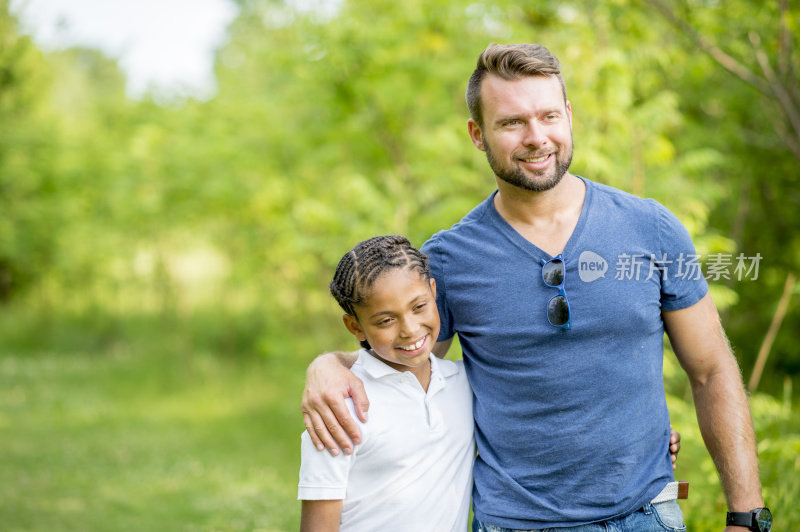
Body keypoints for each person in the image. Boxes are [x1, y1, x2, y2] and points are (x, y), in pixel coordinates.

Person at [302, 44, 768, 531]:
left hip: (647, 516)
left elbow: (712, 370)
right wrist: (330, 364)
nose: (536, 137)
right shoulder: (448, 260)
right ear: (477, 135)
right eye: (511, 123)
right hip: (515, 523)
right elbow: (409, 374)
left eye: (548, 116)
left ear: (568, 115)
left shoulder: (650, 228)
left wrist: (747, 515)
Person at [298, 235, 475, 532]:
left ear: (434, 293)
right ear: (355, 327)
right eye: (385, 321)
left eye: (419, 307)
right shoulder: (338, 411)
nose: (409, 329)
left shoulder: (464, 385)